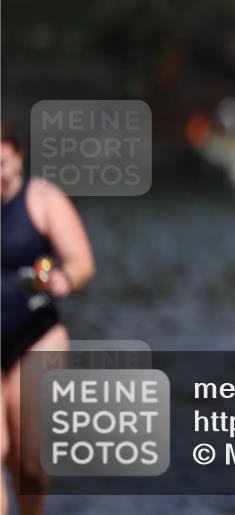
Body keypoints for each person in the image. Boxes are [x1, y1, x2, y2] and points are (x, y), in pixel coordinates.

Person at [1, 121, 95, 515]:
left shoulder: (42, 198)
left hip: (36, 339)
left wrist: (65, 278)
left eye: (1, 162)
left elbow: (81, 263)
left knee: (30, 464)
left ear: (18, 158)